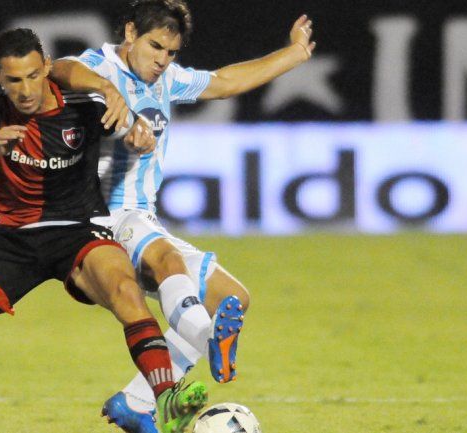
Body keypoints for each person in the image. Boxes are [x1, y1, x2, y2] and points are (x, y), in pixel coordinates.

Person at [0, 28, 209, 433]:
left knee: (126, 292)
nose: (25, 89)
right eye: (14, 79)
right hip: (13, 236)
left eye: (34, 75)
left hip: (79, 229)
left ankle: (167, 398)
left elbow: (124, 123)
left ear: (47, 68)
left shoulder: (85, 100)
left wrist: (136, 131)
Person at [50, 1, 316, 432]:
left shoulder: (167, 80)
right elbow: (58, 69)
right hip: (102, 220)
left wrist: (295, 54)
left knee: (232, 296)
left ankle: (135, 403)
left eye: (171, 52)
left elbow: (226, 81)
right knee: (167, 261)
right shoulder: (99, 66)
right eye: (155, 47)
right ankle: (207, 337)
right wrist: (107, 91)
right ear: (131, 33)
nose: (162, 60)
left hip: (142, 216)